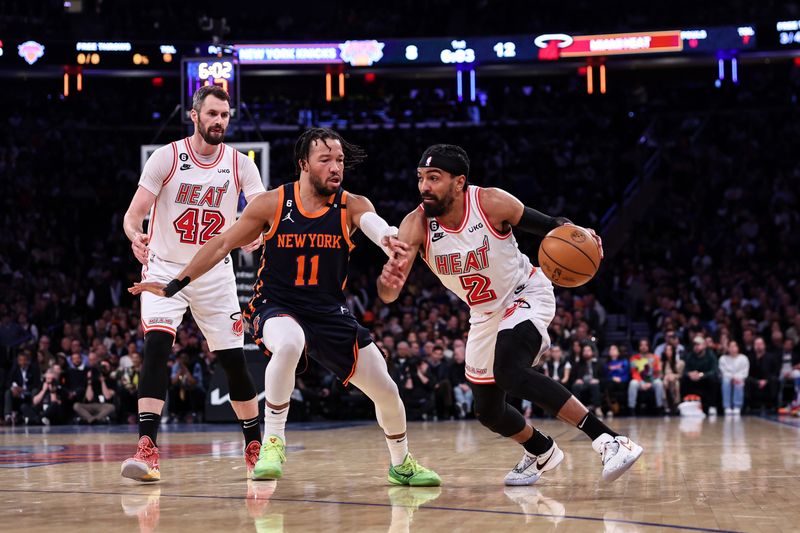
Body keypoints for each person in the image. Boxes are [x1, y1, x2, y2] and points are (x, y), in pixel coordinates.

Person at [130, 127, 440, 486]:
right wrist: (174, 285)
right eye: (325, 160)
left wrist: (388, 238)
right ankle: (272, 442)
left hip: (327, 312)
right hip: (275, 305)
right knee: (289, 343)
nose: (335, 167)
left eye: (339, 160)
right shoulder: (273, 203)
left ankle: (401, 463)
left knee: (386, 389)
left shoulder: (352, 204)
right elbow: (220, 245)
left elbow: (374, 225)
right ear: (303, 164)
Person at [377, 144, 642, 485]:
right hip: (484, 314)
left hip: (525, 292)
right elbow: (389, 294)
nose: (424, 186)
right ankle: (541, 450)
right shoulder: (416, 225)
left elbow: (552, 226)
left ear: (459, 182)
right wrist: (389, 282)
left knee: (510, 371)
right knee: (488, 411)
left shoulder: (490, 202)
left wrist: (581, 234)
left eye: (434, 178)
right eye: (421, 178)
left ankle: (609, 440)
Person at [121, 85, 265, 482]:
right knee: (155, 348)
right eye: (213, 114)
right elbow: (133, 215)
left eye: (225, 115)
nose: (220, 121)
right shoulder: (166, 157)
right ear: (195, 115)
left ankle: (254, 446)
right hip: (164, 268)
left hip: (214, 272)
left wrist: (258, 233)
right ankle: (147, 449)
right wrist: (136, 235)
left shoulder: (240, 164)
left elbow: (261, 212)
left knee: (234, 361)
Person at [719, 340, 749, 415]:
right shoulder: (723, 358)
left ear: (738, 348)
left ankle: (737, 406)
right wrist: (731, 377)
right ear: (728, 348)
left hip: (739, 377)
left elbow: (745, 372)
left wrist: (736, 377)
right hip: (727, 377)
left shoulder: (743, 358)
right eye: (731, 346)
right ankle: (727, 406)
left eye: (734, 346)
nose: (732, 348)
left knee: (739, 381)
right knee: (726, 381)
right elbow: (723, 371)